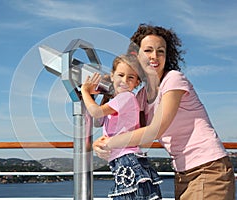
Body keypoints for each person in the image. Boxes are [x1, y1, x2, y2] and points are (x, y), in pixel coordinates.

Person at [93, 24, 235, 200]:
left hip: (208, 168)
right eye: (148, 50)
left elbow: (155, 130)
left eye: (160, 51)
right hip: (182, 173)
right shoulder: (142, 96)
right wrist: (99, 143)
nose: (154, 56)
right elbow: (124, 128)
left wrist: (111, 143)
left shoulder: (173, 80)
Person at [81, 54, 162, 199]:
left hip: (127, 161)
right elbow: (97, 121)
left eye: (130, 77)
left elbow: (95, 112)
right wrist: (99, 94)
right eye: (120, 75)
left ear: (136, 83)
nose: (124, 81)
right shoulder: (116, 101)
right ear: (112, 76)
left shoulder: (127, 98)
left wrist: (84, 91)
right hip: (125, 161)